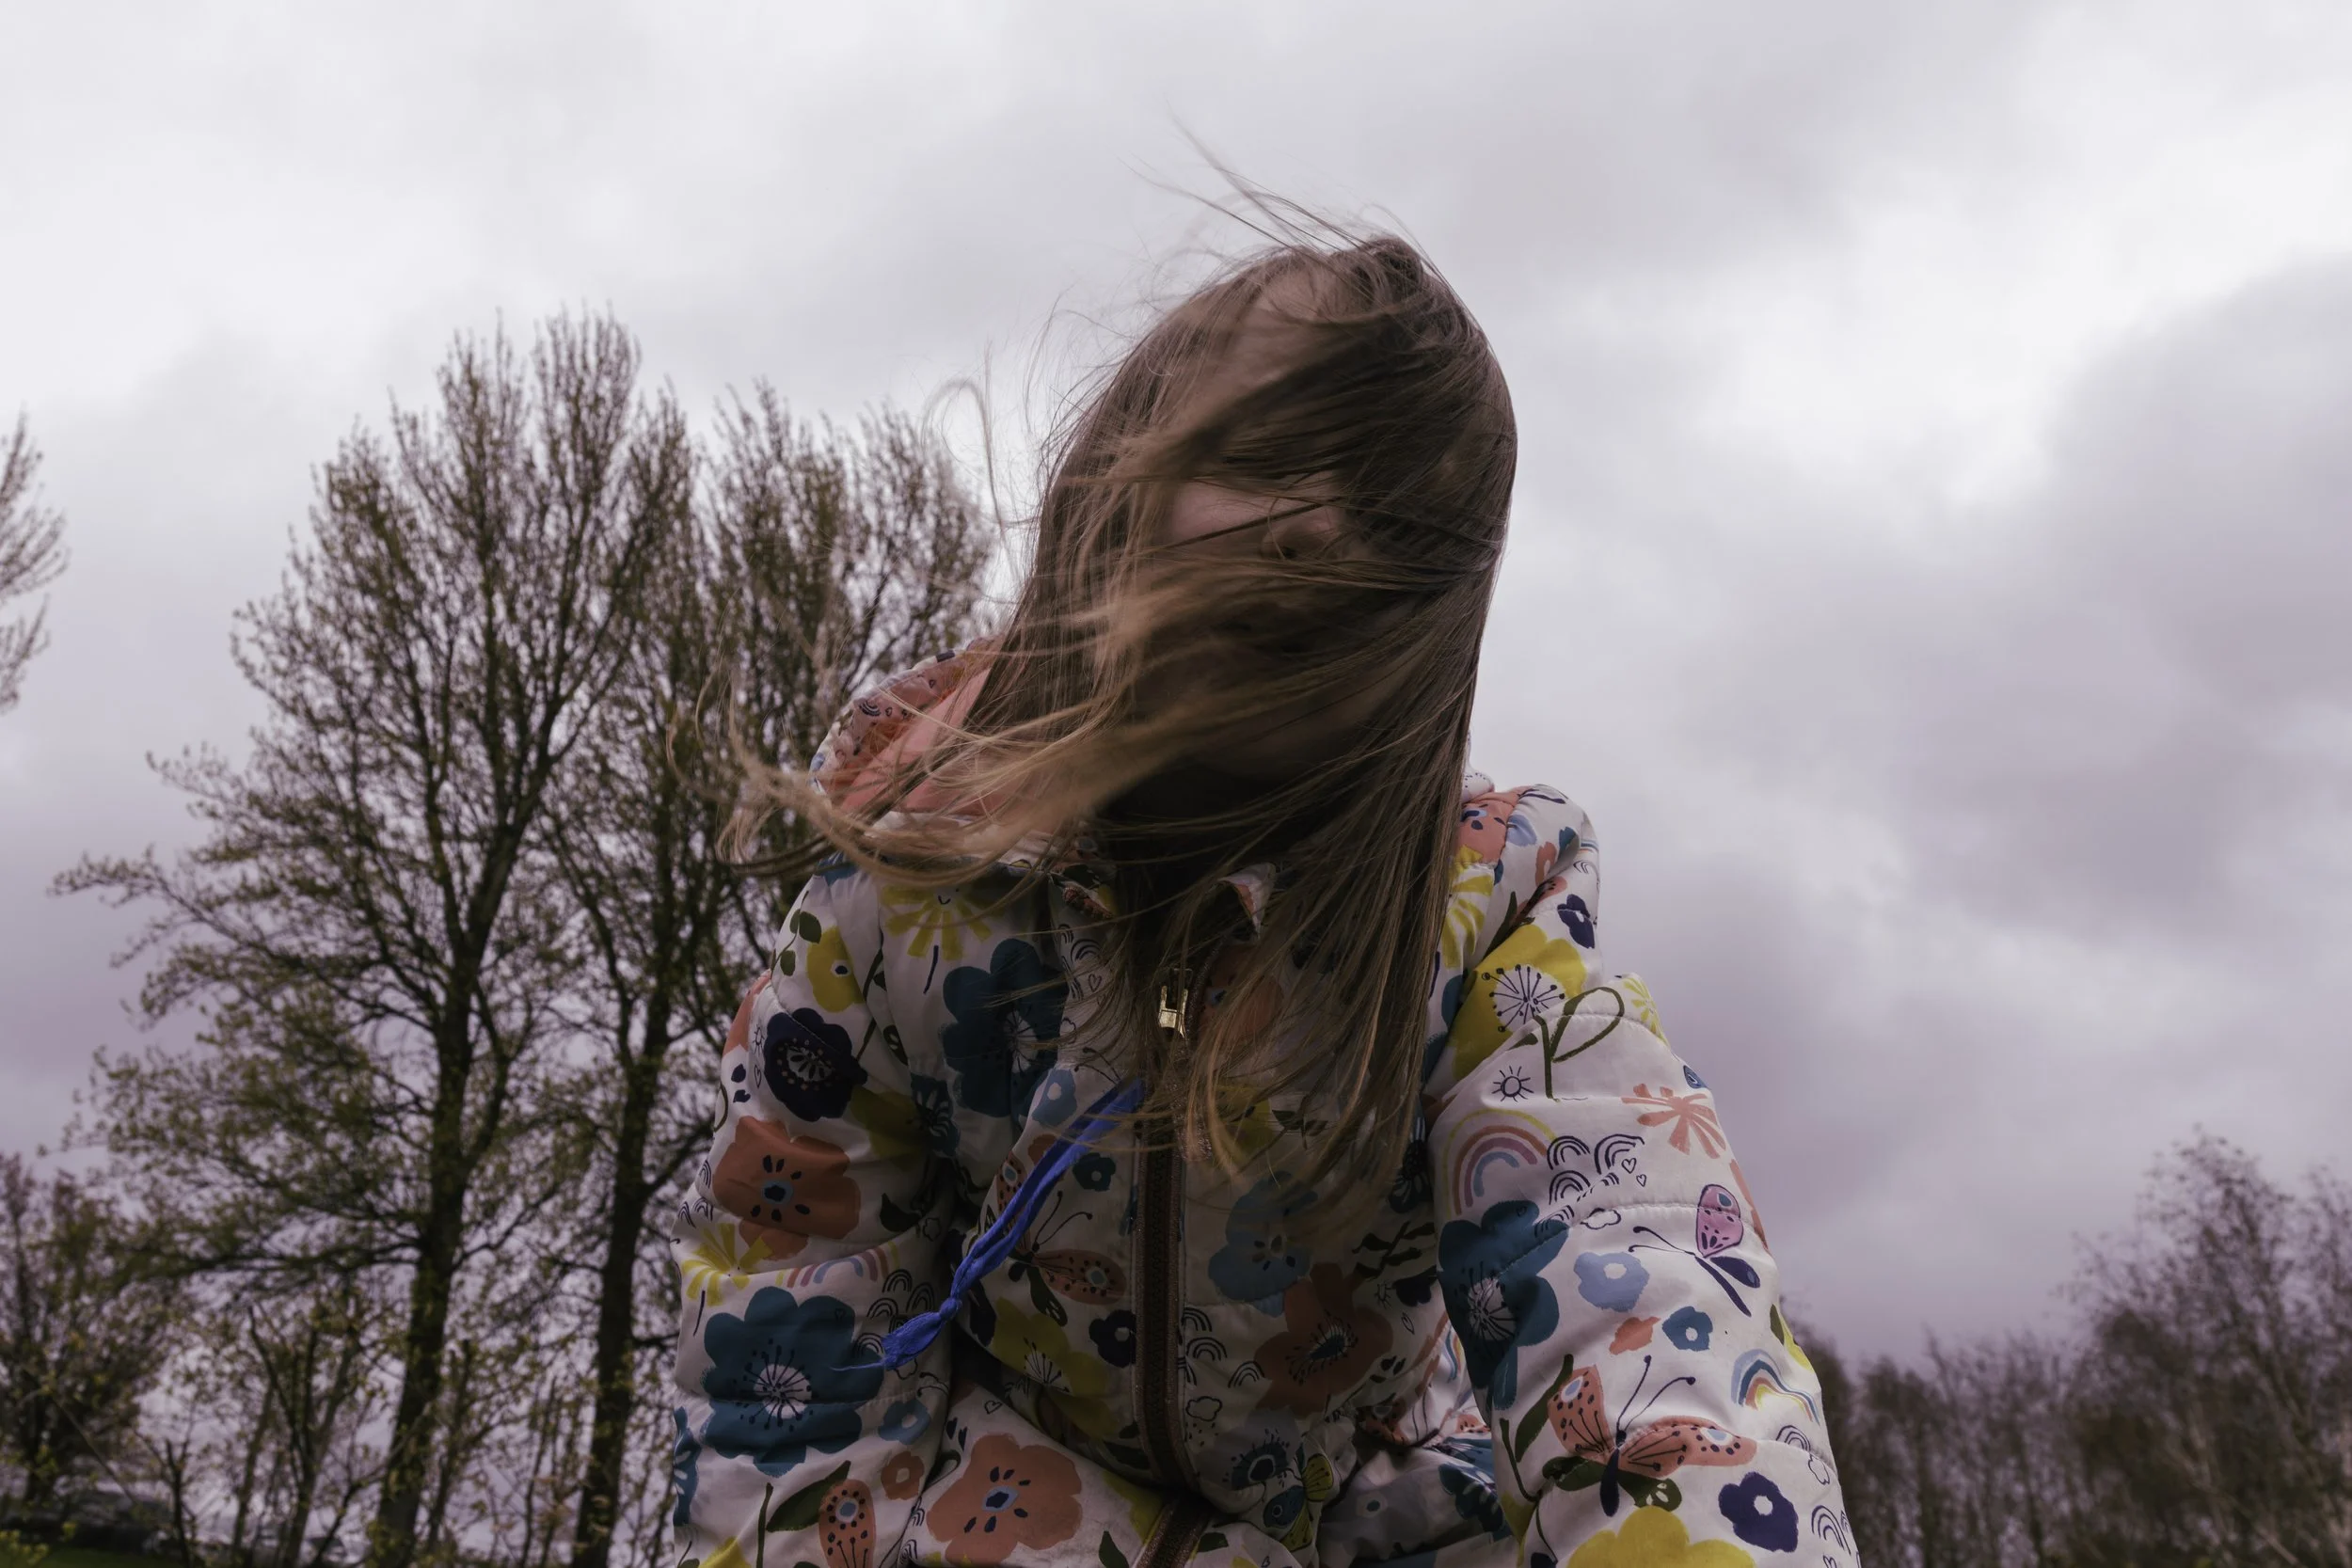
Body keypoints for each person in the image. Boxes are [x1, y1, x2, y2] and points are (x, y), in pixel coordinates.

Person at [668, 227, 1850, 1568]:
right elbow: (790, 1341)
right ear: (1120, 473)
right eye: (1266, 454)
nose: (1318, 526)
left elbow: (1638, 1276)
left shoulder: (1481, 918)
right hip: (1005, 1508)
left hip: (1371, 1505)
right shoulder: (905, 883)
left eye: (1393, 519)